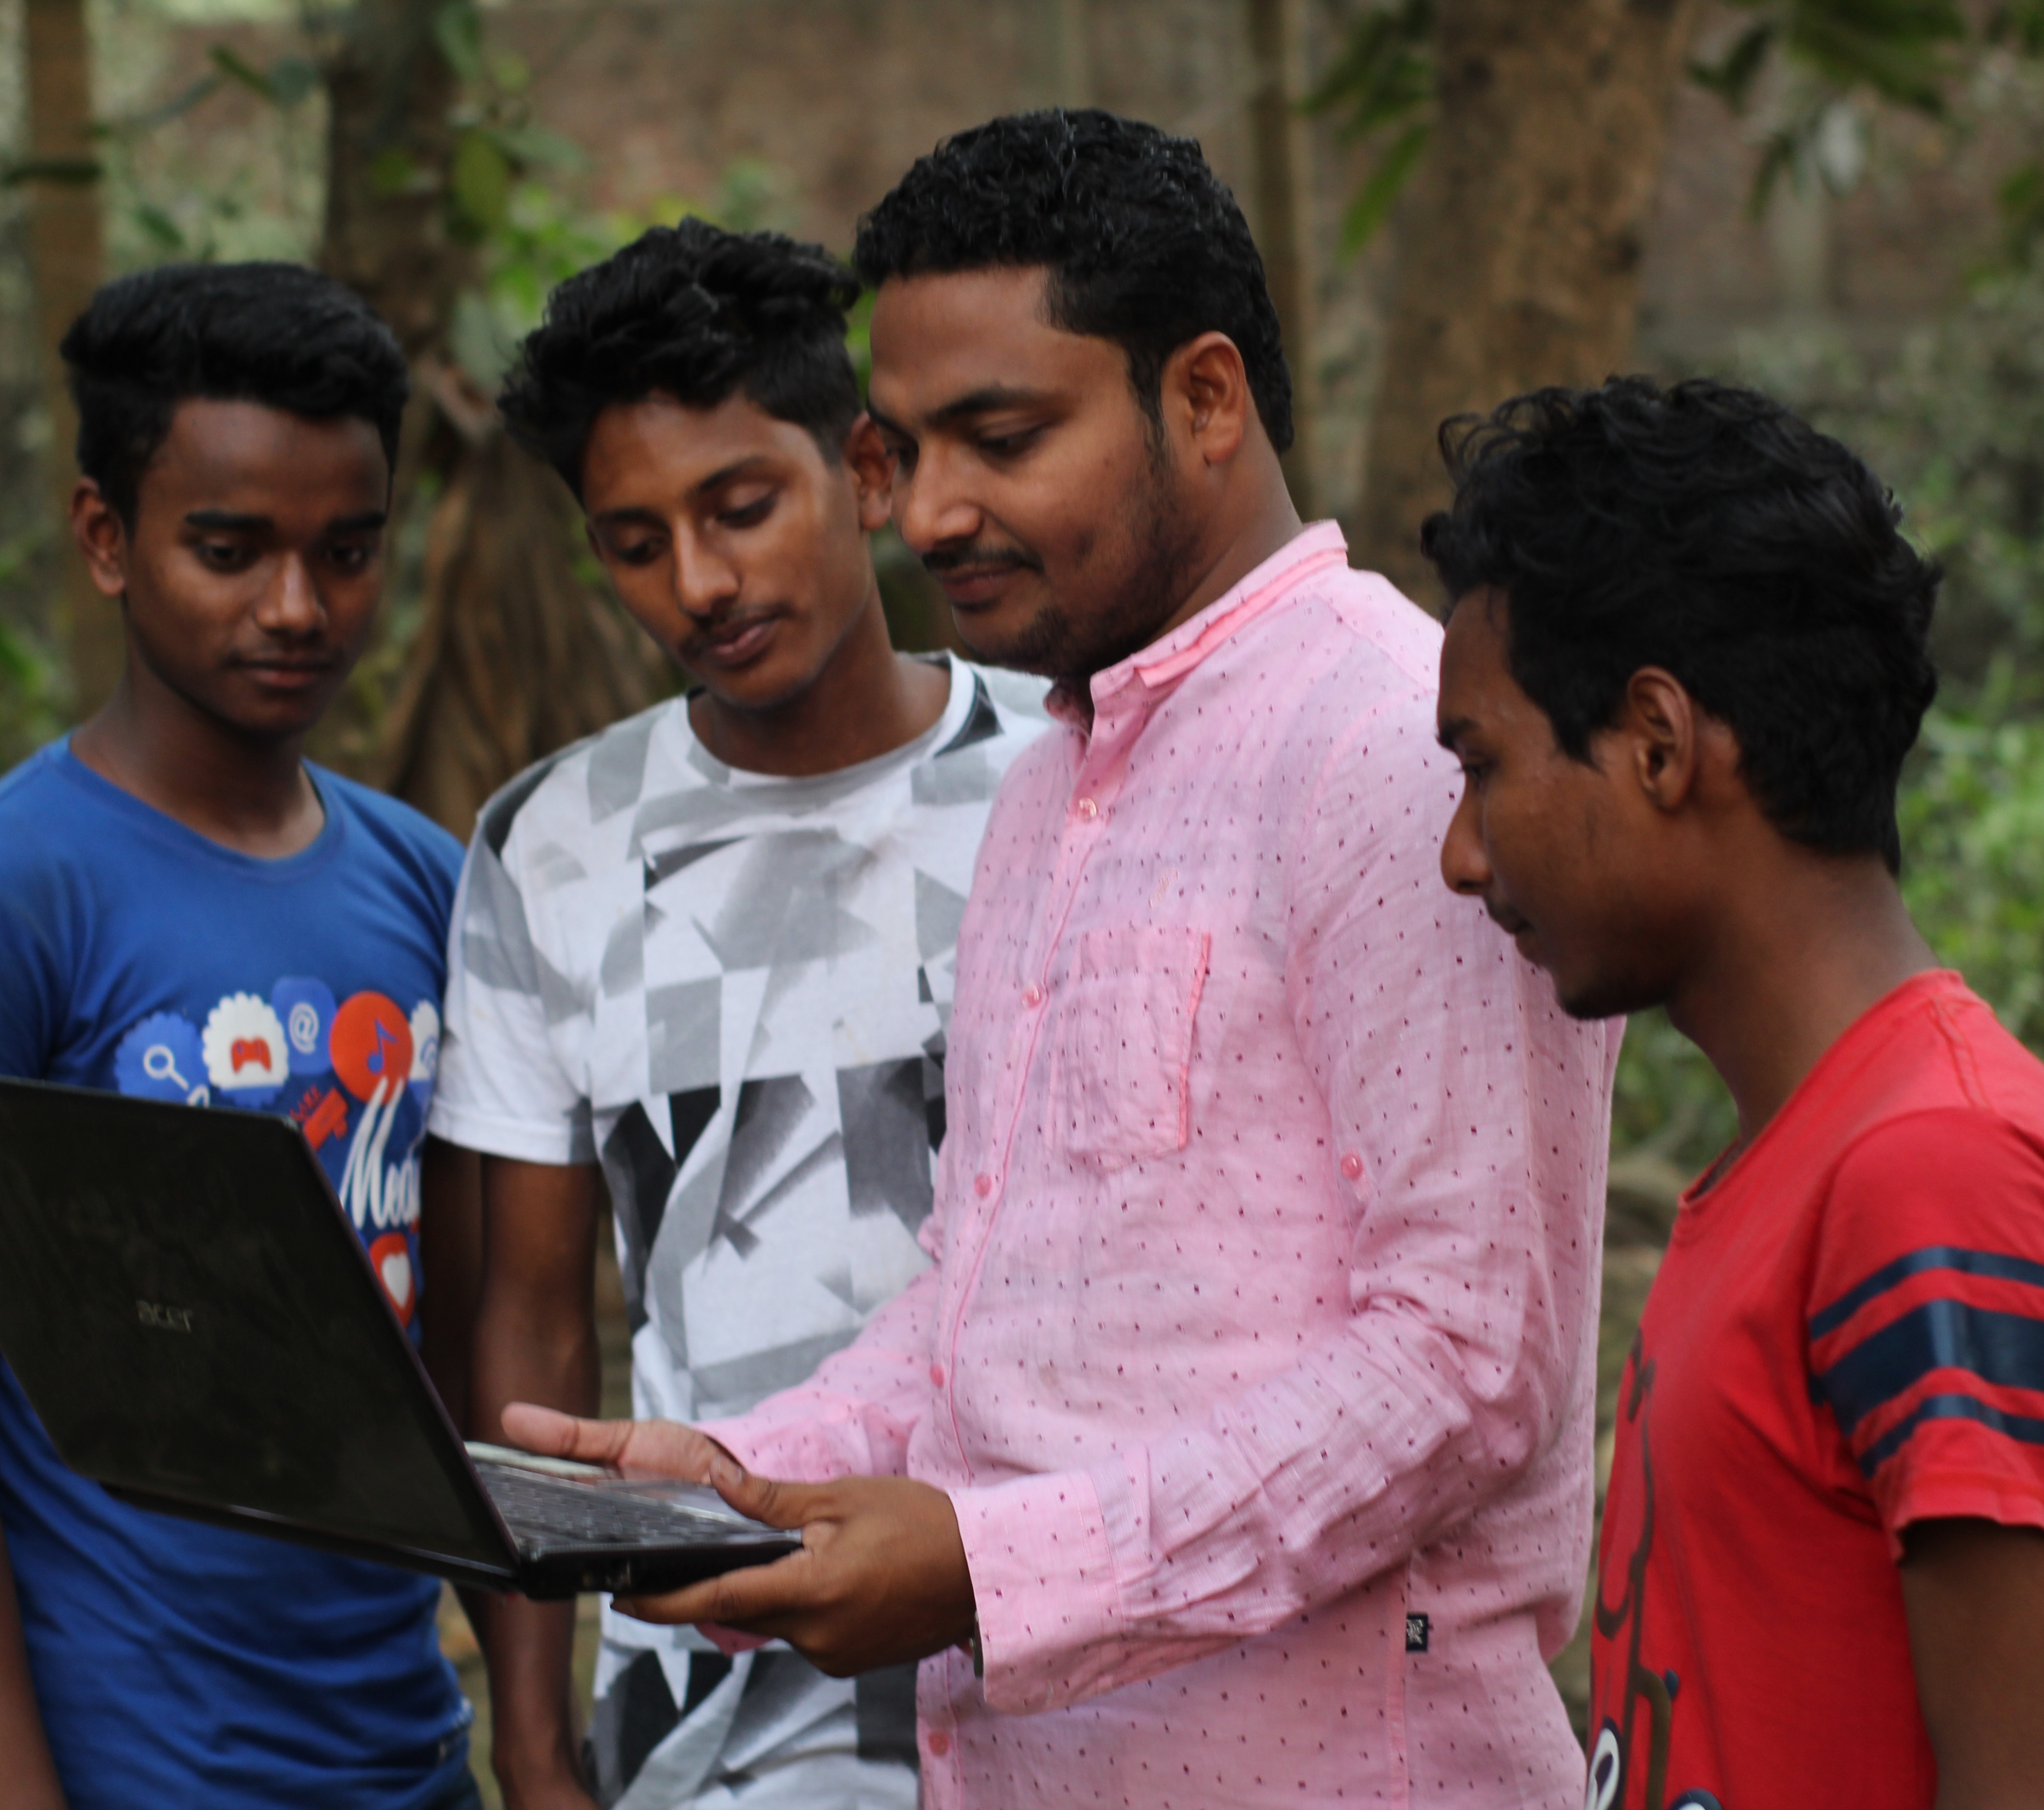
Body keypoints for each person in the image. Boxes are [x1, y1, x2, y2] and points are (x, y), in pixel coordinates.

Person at [502, 109, 1620, 1808]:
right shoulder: (1051, 783)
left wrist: (988, 1572)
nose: (930, 511)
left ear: (1206, 399)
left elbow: (1463, 1371)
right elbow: (981, 1307)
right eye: (906, 448)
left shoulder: (1391, 745)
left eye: (1003, 437)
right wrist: (737, 1476)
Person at [1422, 376, 2044, 1810]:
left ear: (1658, 742)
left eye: (1484, 765)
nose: (1463, 855)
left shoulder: (1936, 1172)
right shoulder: (1810, 1168)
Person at [0, 262, 484, 1810]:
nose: (296, 607)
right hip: (129, 1770)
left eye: (346, 551)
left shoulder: (432, 881)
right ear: (105, 538)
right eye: (229, 550)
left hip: (403, 1759)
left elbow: (463, 1359)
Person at [426, 218, 1048, 1810]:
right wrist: (533, 1731)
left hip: (1067, 1650)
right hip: (714, 1702)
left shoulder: (1068, 768)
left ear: (868, 469)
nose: (699, 584)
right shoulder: (550, 845)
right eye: (636, 542)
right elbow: (534, 1317)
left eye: (741, 508)